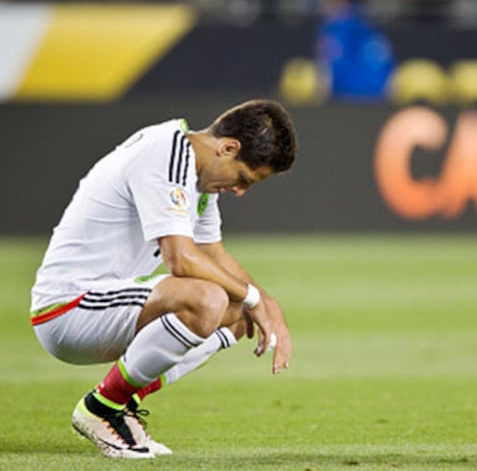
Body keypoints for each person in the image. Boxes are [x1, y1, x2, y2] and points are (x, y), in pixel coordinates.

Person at [30, 99, 297, 458]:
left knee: (237, 315)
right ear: (228, 147)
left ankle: (120, 405)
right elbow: (182, 261)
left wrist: (265, 303)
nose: (239, 191)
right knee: (207, 299)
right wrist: (251, 296)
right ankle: (101, 408)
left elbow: (214, 255)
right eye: (243, 178)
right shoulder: (167, 154)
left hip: (105, 305)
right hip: (68, 308)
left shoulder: (197, 177)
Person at [316, 0, 395, 101]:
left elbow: (326, 69)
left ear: (341, 1)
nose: (326, 6)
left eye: (330, 1)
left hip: (342, 98)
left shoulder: (332, 30)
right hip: (378, 99)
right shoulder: (371, 25)